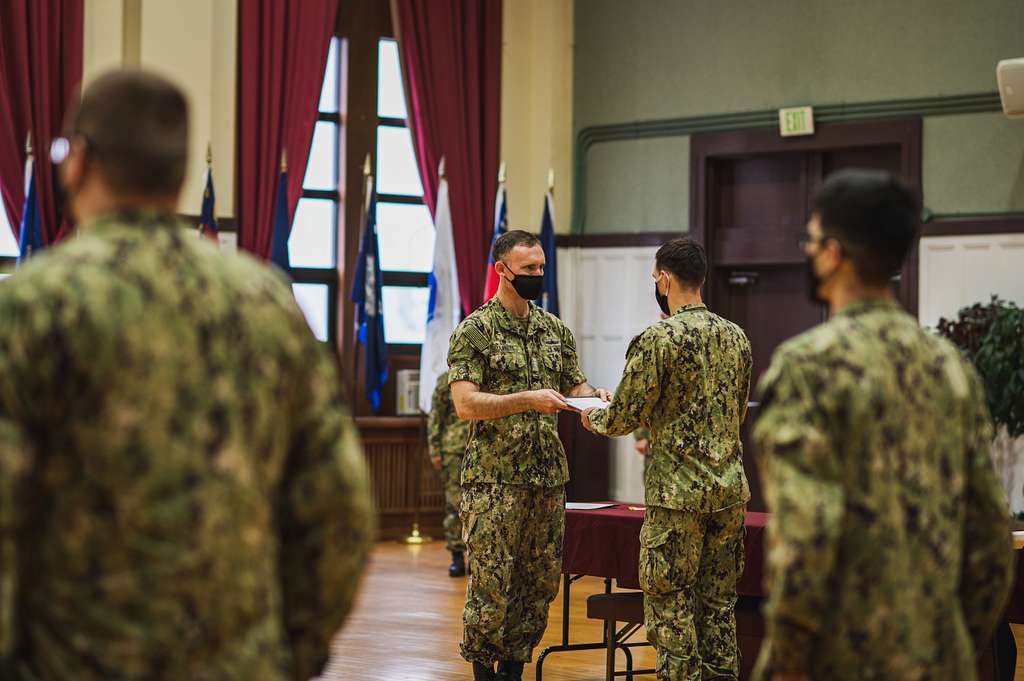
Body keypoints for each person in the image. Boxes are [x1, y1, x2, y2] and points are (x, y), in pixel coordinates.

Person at [0, 70, 374, 681]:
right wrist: (292, 654)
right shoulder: (267, 303)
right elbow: (340, 508)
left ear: (78, 162)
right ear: (175, 177)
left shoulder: (34, 305)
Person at [751, 169, 1015, 681]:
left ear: (832, 252)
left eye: (809, 240)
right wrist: (953, 641)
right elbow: (990, 538)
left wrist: (787, 660)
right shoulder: (950, 367)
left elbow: (804, 538)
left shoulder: (808, 367)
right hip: (942, 658)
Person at [582, 237, 752, 681]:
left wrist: (591, 416)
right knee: (718, 606)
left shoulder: (659, 338)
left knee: (671, 606)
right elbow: (738, 412)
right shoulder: (737, 337)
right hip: (730, 493)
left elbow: (625, 415)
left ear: (664, 278)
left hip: (677, 498)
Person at [448, 229, 610, 681]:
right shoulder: (474, 331)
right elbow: (465, 404)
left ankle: (513, 672)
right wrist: (526, 399)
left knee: (536, 585)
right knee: (492, 587)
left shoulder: (553, 329)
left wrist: (592, 394)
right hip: (493, 482)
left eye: (542, 267)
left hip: (547, 478)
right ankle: (485, 673)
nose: (538, 275)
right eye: (529, 269)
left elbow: (572, 383)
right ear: (502, 270)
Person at [427, 369, 472, 577]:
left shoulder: (486, 376)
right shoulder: (446, 379)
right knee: (455, 505)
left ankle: (477, 558)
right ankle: (456, 556)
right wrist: (435, 449)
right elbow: (436, 415)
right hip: (453, 449)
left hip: (482, 449)